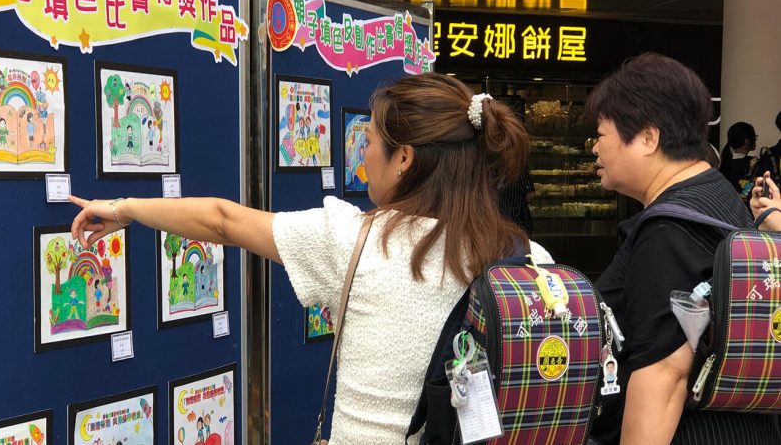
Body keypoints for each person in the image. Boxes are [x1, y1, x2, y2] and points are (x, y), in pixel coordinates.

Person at [68, 73, 553, 444]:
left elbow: (222, 221)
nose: (362, 155)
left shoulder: (356, 241)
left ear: (404, 158)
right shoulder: (528, 259)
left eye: (368, 141)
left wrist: (123, 208)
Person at [587, 53, 778, 444]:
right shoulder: (720, 195)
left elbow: (665, 374)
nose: (594, 148)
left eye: (601, 134)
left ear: (648, 138)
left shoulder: (669, 230)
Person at [717, 121, 757, 192]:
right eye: (754, 137)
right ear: (747, 141)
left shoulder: (725, 163)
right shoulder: (752, 163)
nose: (755, 139)